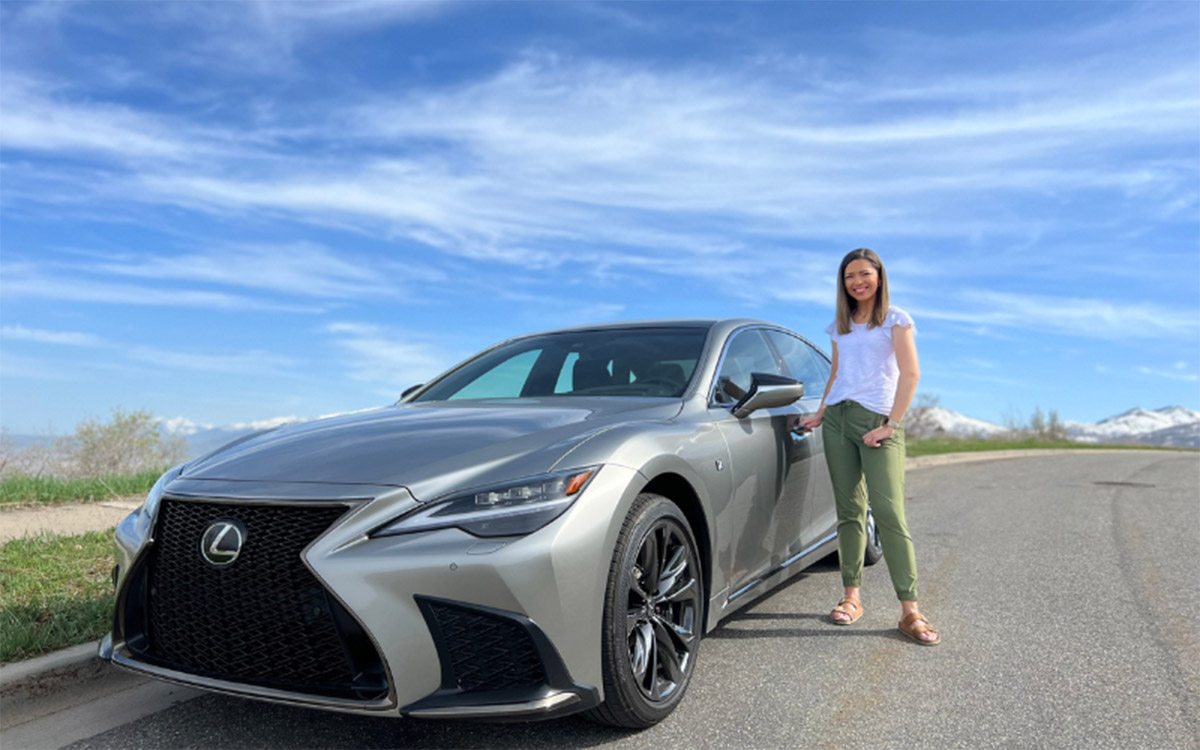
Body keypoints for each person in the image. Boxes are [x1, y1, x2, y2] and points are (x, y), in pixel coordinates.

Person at [799, 248, 940, 645]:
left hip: (877, 422)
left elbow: (911, 373)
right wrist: (822, 412)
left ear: (879, 276)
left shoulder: (896, 319)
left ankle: (910, 612)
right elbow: (837, 374)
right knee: (849, 512)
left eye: (864, 274)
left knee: (891, 515)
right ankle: (851, 597)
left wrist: (891, 425)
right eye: (849, 277)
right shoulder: (839, 326)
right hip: (839, 421)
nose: (857, 282)